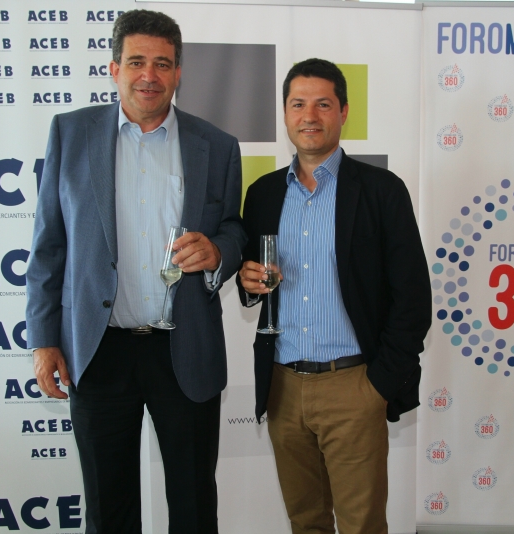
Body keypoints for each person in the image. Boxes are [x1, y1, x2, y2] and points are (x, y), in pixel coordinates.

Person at [25, 10, 246, 534]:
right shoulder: (71, 133)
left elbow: (234, 229)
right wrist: (44, 340)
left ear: (178, 72)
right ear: (114, 68)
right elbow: (49, 245)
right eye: (137, 62)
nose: (150, 75)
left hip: (184, 349)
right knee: (109, 511)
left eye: (163, 64)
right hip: (99, 350)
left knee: (194, 508)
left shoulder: (217, 145)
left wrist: (218, 252)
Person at [237, 58, 431, 534]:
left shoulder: (381, 190)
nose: (309, 116)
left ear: (343, 111)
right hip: (283, 387)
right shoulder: (263, 194)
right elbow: (252, 280)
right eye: (298, 104)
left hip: (354, 386)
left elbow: (413, 299)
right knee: (305, 522)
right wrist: (246, 282)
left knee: (362, 525)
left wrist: (377, 386)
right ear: (285, 113)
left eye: (323, 104)